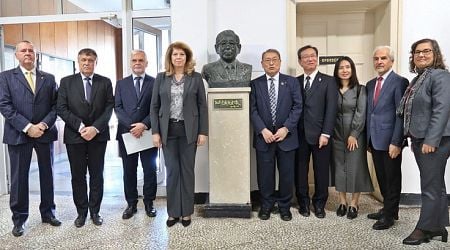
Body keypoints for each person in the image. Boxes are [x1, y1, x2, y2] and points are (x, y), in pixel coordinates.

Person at [0, 40, 61, 237]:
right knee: (19, 179)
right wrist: (27, 127)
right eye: (23, 51)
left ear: (35, 55)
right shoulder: (5, 78)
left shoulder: (49, 78)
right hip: (18, 134)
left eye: (31, 51)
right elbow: (5, 106)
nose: (27, 53)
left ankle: (48, 213)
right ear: (16, 55)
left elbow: (56, 106)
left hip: (44, 133)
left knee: (47, 175)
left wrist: (42, 125)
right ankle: (19, 219)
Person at [398, 38, 450, 245]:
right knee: (436, 184)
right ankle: (439, 226)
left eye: (426, 51)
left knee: (429, 185)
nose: (421, 55)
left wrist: (431, 139)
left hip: (434, 141)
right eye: (417, 52)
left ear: (435, 54)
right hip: (421, 139)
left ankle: (424, 228)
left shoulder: (440, 76)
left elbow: (442, 109)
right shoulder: (418, 79)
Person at [150, 41, 208, 227]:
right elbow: (154, 106)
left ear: (187, 57)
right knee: (173, 172)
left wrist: (203, 132)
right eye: (175, 54)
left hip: (189, 131)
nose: (178, 57)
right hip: (168, 131)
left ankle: (187, 212)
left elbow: (202, 106)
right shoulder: (161, 78)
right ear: (170, 57)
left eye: (182, 55)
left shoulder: (196, 78)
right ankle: (173, 212)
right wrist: (155, 132)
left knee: (187, 172)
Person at [56, 48, 114, 228]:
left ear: (96, 62)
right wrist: (81, 127)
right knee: (78, 176)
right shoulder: (66, 82)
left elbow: (109, 108)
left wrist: (95, 128)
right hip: (75, 136)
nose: (87, 63)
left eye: (90, 60)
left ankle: (95, 211)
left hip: (98, 136)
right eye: (83, 60)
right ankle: (81, 212)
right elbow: (61, 108)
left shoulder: (105, 82)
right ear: (78, 62)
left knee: (97, 175)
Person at [250, 49, 302, 221]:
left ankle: (285, 206)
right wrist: (262, 130)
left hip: (286, 137)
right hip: (264, 138)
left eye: (274, 60)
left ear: (280, 62)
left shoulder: (291, 82)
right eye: (267, 60)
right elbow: (253, 109)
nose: (271, 63)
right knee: (265, 174)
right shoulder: (255, 84)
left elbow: (297, 107)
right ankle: (266, 205)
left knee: (287, 174)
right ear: (262, 63)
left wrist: (286, 128)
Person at [366, 46, 408, 230]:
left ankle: (389, 216)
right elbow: (371, 113)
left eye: (383, 58)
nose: (379, 62)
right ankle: (388, 209)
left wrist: (397, 141)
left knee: (392, 178)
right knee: (382, 177)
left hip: (391, 140)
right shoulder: (370, 84)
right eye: (376, 58)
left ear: (391, 60)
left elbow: (401, 115)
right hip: (374, 140)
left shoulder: (400, 82)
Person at [295, 45, 338, 218]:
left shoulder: (329, 81)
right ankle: (303, 203)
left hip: (321, 135)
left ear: (317, 58)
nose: (310, 59)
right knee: (300, 171)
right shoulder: (295, 81)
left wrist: (326, 133)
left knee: (321, 171)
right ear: (300, 61)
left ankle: (319, 204)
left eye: (313, 56)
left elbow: (331, 109)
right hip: (298, 135)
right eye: (305, 57)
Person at [115, 50, 158, 220]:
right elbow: (117, 107)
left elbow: (157, 107)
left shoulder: (155, 82)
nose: (137, 63)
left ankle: (149, 203)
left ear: (146, 63)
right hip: (127, 135)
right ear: (130, 63)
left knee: (150, 170)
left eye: (141, 60)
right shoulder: (121, 84)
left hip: (148, 133)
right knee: (129, 171)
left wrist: (144, 124)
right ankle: (131, 204)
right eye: (134, 60)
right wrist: (132, 126)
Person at [332, 56, 373, 220]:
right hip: (336, 133)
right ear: (337, 71)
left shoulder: (360, 89)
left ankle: (354, 203)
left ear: (352, 69)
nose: (344, 70)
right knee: (339, 167)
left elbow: (361, 113)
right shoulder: (332, 88)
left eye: (347, 67)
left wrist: (354, 134)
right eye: (341, 67)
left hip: (355, 134)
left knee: (356, 168)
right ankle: (342, 201)